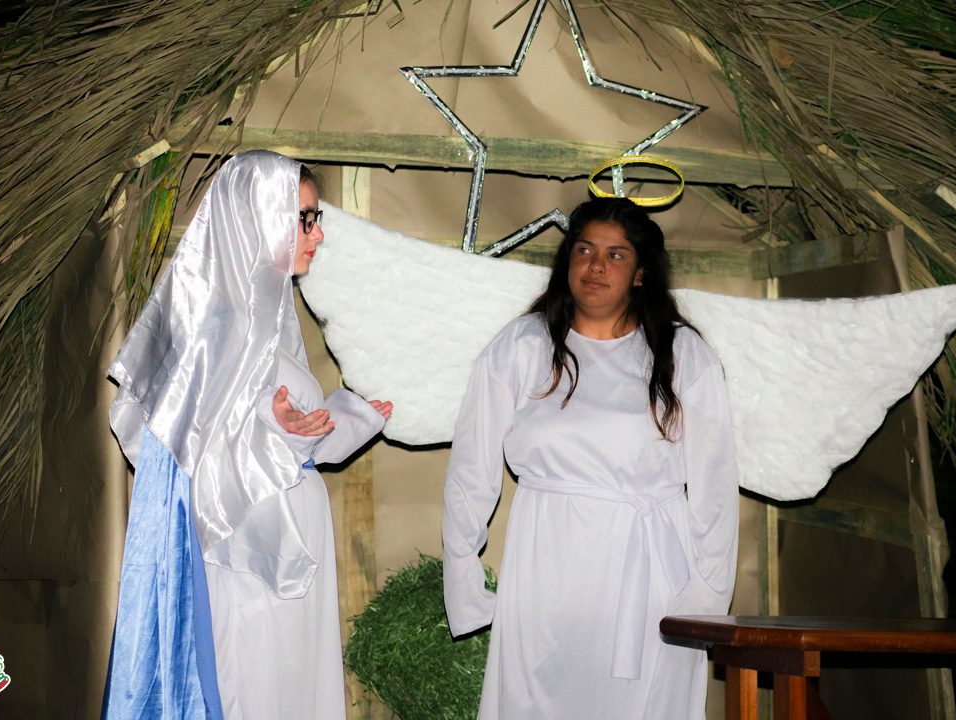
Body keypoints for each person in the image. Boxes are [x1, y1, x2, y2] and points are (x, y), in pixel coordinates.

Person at [103, 150, 391, 720]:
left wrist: (347, 420)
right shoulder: (212, 324)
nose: (317, 234)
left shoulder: (268, 320)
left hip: (291, 550)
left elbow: (284, 435)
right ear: (259, 216)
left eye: (316, 217)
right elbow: (175, 446)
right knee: (250, 694)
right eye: (304, 217)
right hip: (249, 560)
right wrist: (271, 428)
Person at [442, 196, 738, 718]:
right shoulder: (524, 345)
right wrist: (463, 573)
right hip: (547, 566)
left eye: (616, 255)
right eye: (584, 250)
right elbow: (472, 467)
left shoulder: (681, 354)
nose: (596, 266)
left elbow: (714, 485)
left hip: (650, 574)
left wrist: (707, 597)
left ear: (641, 273)